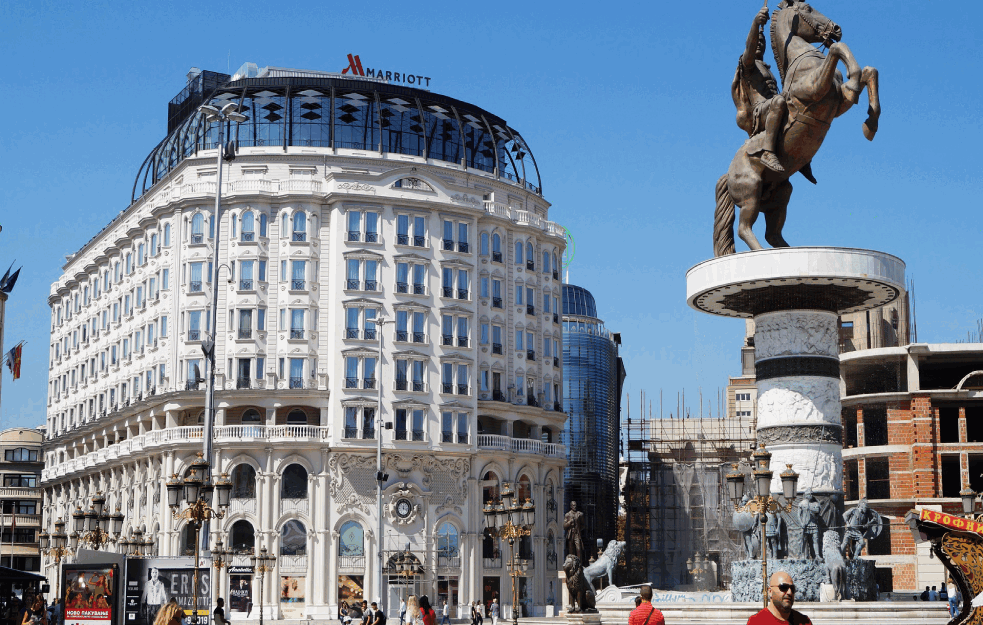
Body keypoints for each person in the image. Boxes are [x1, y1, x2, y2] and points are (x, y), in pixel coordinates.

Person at [730, 4, 789, 175]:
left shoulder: (767, 67)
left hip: (771, 109)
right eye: (756, 40)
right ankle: (768, 152)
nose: (758, 43)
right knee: (779, 101)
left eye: (762, 42)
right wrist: (756, 24)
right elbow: (750, 45)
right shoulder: (747, 64)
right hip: (759, 112)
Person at [746, 572, 811, 625]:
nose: (789, 592)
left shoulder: (804, 621)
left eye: (792, 588)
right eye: (783, 587)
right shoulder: (756, 622)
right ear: (770, 591)